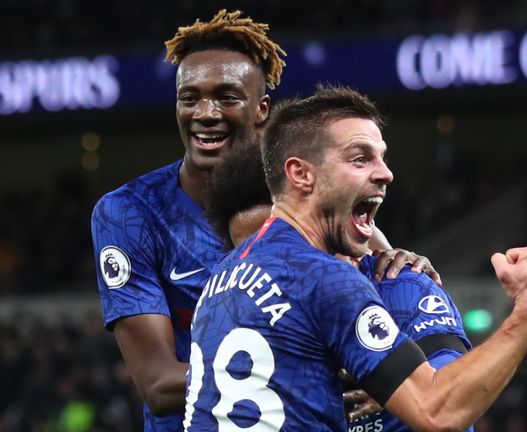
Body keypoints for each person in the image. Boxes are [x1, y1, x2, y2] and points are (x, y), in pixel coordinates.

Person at [91, 10, 432, 431]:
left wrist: (406, 270)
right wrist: (305, 371)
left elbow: (390, 304)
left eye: (227, 97)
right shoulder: (129, 214)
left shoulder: (306, 189)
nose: (206, 113)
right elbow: (158, 385)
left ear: (261, 109)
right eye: (190, 98)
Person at [185, 85, 527, 430]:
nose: (386, 173)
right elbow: (437, 410)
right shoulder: (325, 277)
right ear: (300, 174)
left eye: (382, 157)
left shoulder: (221, 279)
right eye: (359, 158)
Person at [203, 145, 475, 431]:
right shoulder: (239, 318)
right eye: (251, 252)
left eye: (279, 242)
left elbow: (448, 377)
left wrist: (400, 383)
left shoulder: (402, 285)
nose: (266, 259)